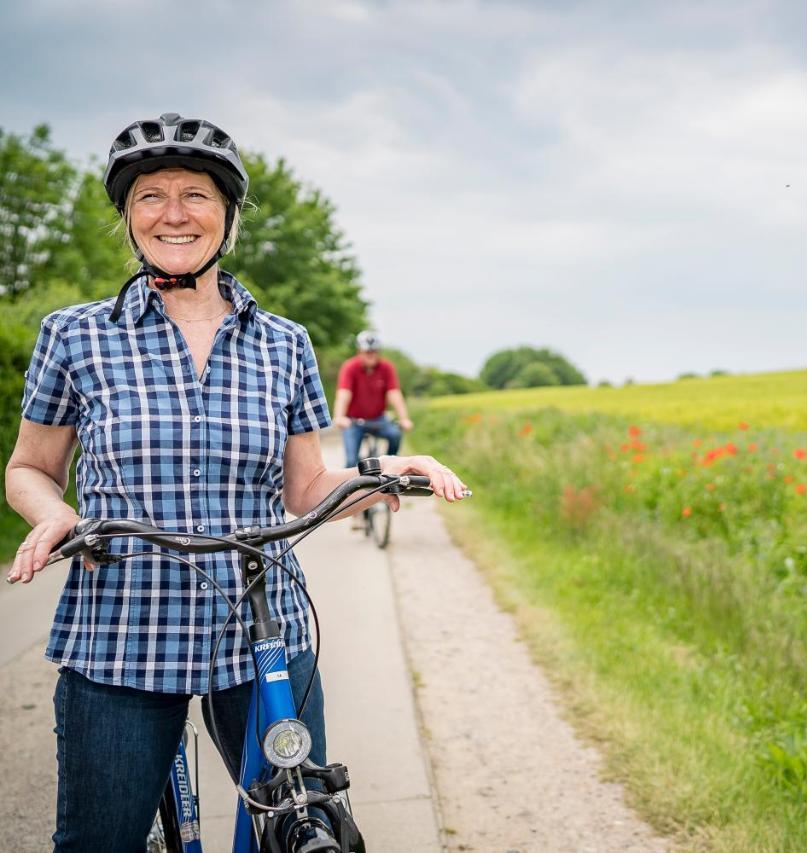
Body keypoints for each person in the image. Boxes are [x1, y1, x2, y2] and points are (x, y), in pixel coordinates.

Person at [3, 112, 469, 852]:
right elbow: (29, 468)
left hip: (260, 634)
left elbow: (306, 484)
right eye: (150, 195)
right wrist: (53, 512)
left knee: (298, 829)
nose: (174, 212)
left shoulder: (284, 343)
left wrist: (384, 470)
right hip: (121, 633)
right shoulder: (77, 334)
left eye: (196, 193)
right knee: (98, 841)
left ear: (228, 215)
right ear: (129, 216)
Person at [333, 330, 415, 468]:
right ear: (359, 351)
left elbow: (394, 394)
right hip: (354, 421)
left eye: (374, 352)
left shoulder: (386, 368)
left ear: (378, 352)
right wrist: (339, 416)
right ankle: (352, 486)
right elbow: (343, 394)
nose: (371, 355)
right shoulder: (350, 367)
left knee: (395, 434)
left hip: (378, 419)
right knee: (351, 461)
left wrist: (404, 418)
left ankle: (390, 467)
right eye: (367, 352)